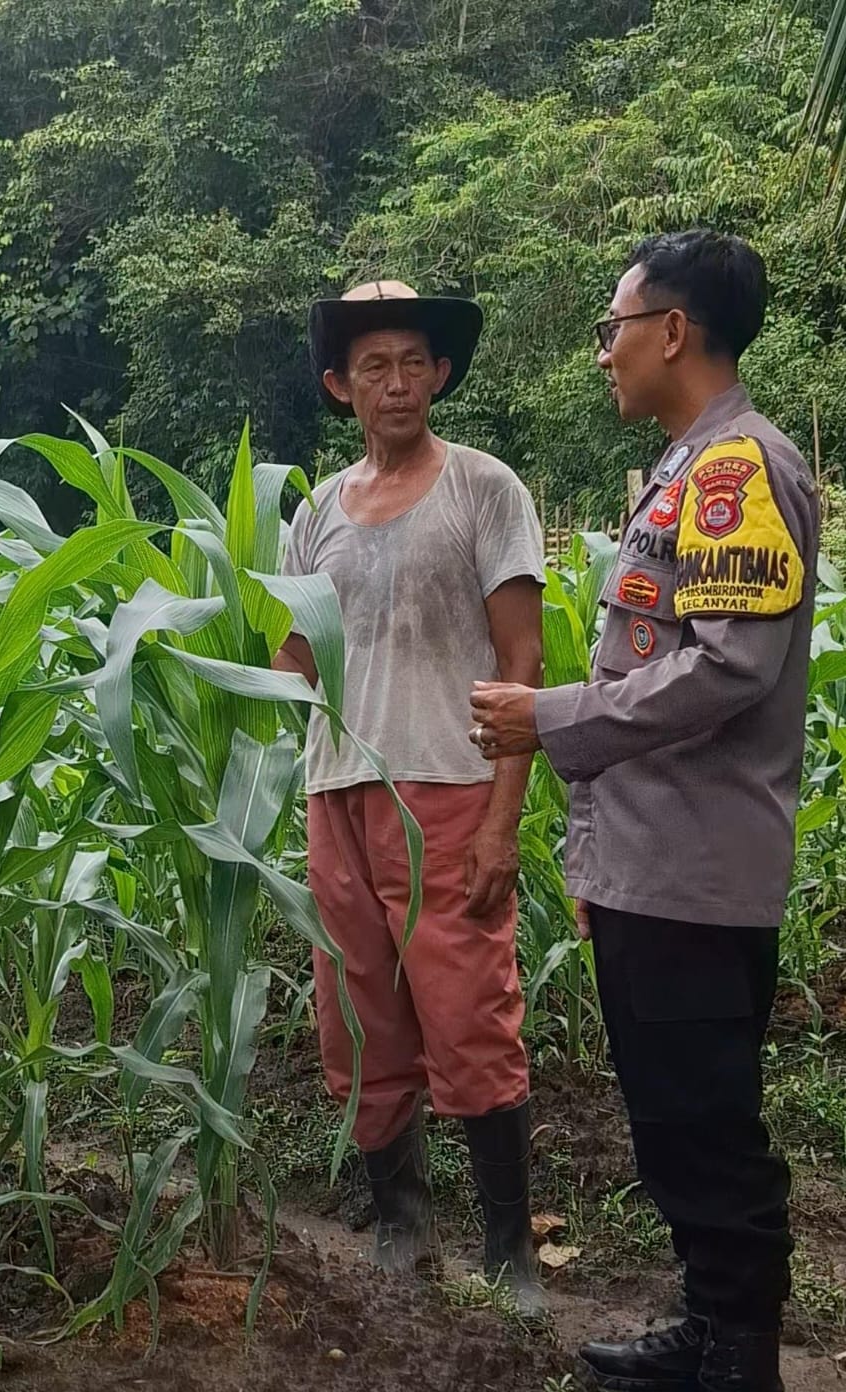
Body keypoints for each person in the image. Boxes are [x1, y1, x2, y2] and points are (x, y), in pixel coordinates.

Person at [471, 231, 815, 1392]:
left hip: (693, 869)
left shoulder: (734, 471)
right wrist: (597, 857)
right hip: (652, 861)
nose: (602, 353)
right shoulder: (689, 466)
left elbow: (726, 670)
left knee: (705, 1124)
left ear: (671, 331)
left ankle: (739, 1357)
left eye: (610, 328)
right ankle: (710, 1328)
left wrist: (548, 716)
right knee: (674, 1118)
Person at [277, 281, 547, 1311]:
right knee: (357, 1021)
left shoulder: (484, 490)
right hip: (336, 792)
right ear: (339, 388)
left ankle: (510, 1252)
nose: (394, 384)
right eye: (372, 368)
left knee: (470, 1016)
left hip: (446, 789)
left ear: (439, 374)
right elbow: (295, 663)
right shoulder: (314, 516)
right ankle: (401, 1226)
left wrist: (501, 822)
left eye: (411, 364)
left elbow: (522, 663)